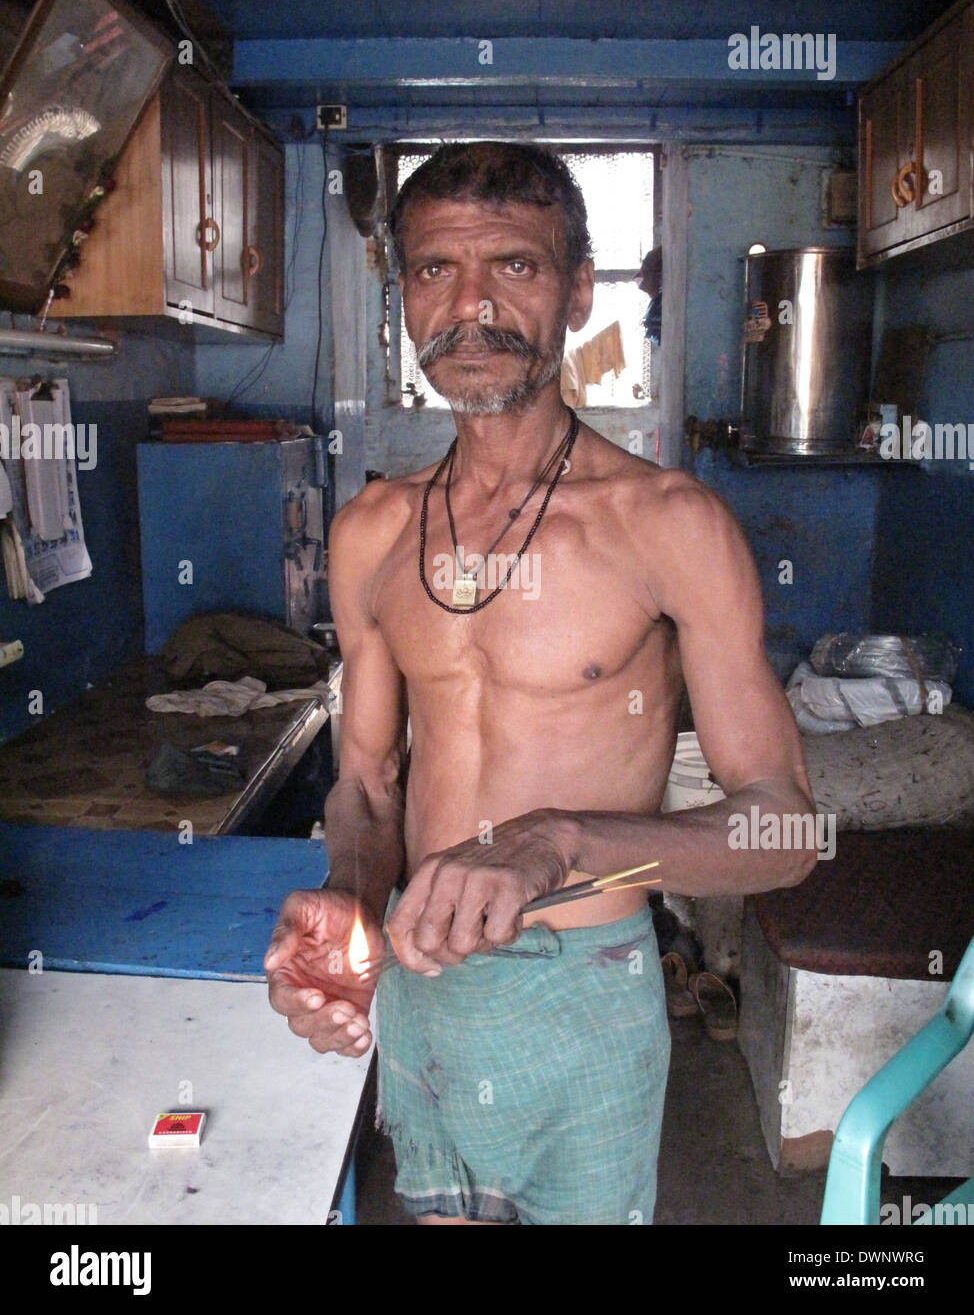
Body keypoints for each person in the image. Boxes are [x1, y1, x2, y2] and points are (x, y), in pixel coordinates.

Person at [265, 141, 816, 1226]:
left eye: (511, 267)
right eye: (433, 271)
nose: (468, 306)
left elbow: (785, 832)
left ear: (575, 291)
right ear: (402, 297)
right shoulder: (372, 531)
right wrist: (348, 902)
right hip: (424, 985)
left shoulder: (668, 525)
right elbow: (367, 788)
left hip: (586, 990)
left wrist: (565, 840)